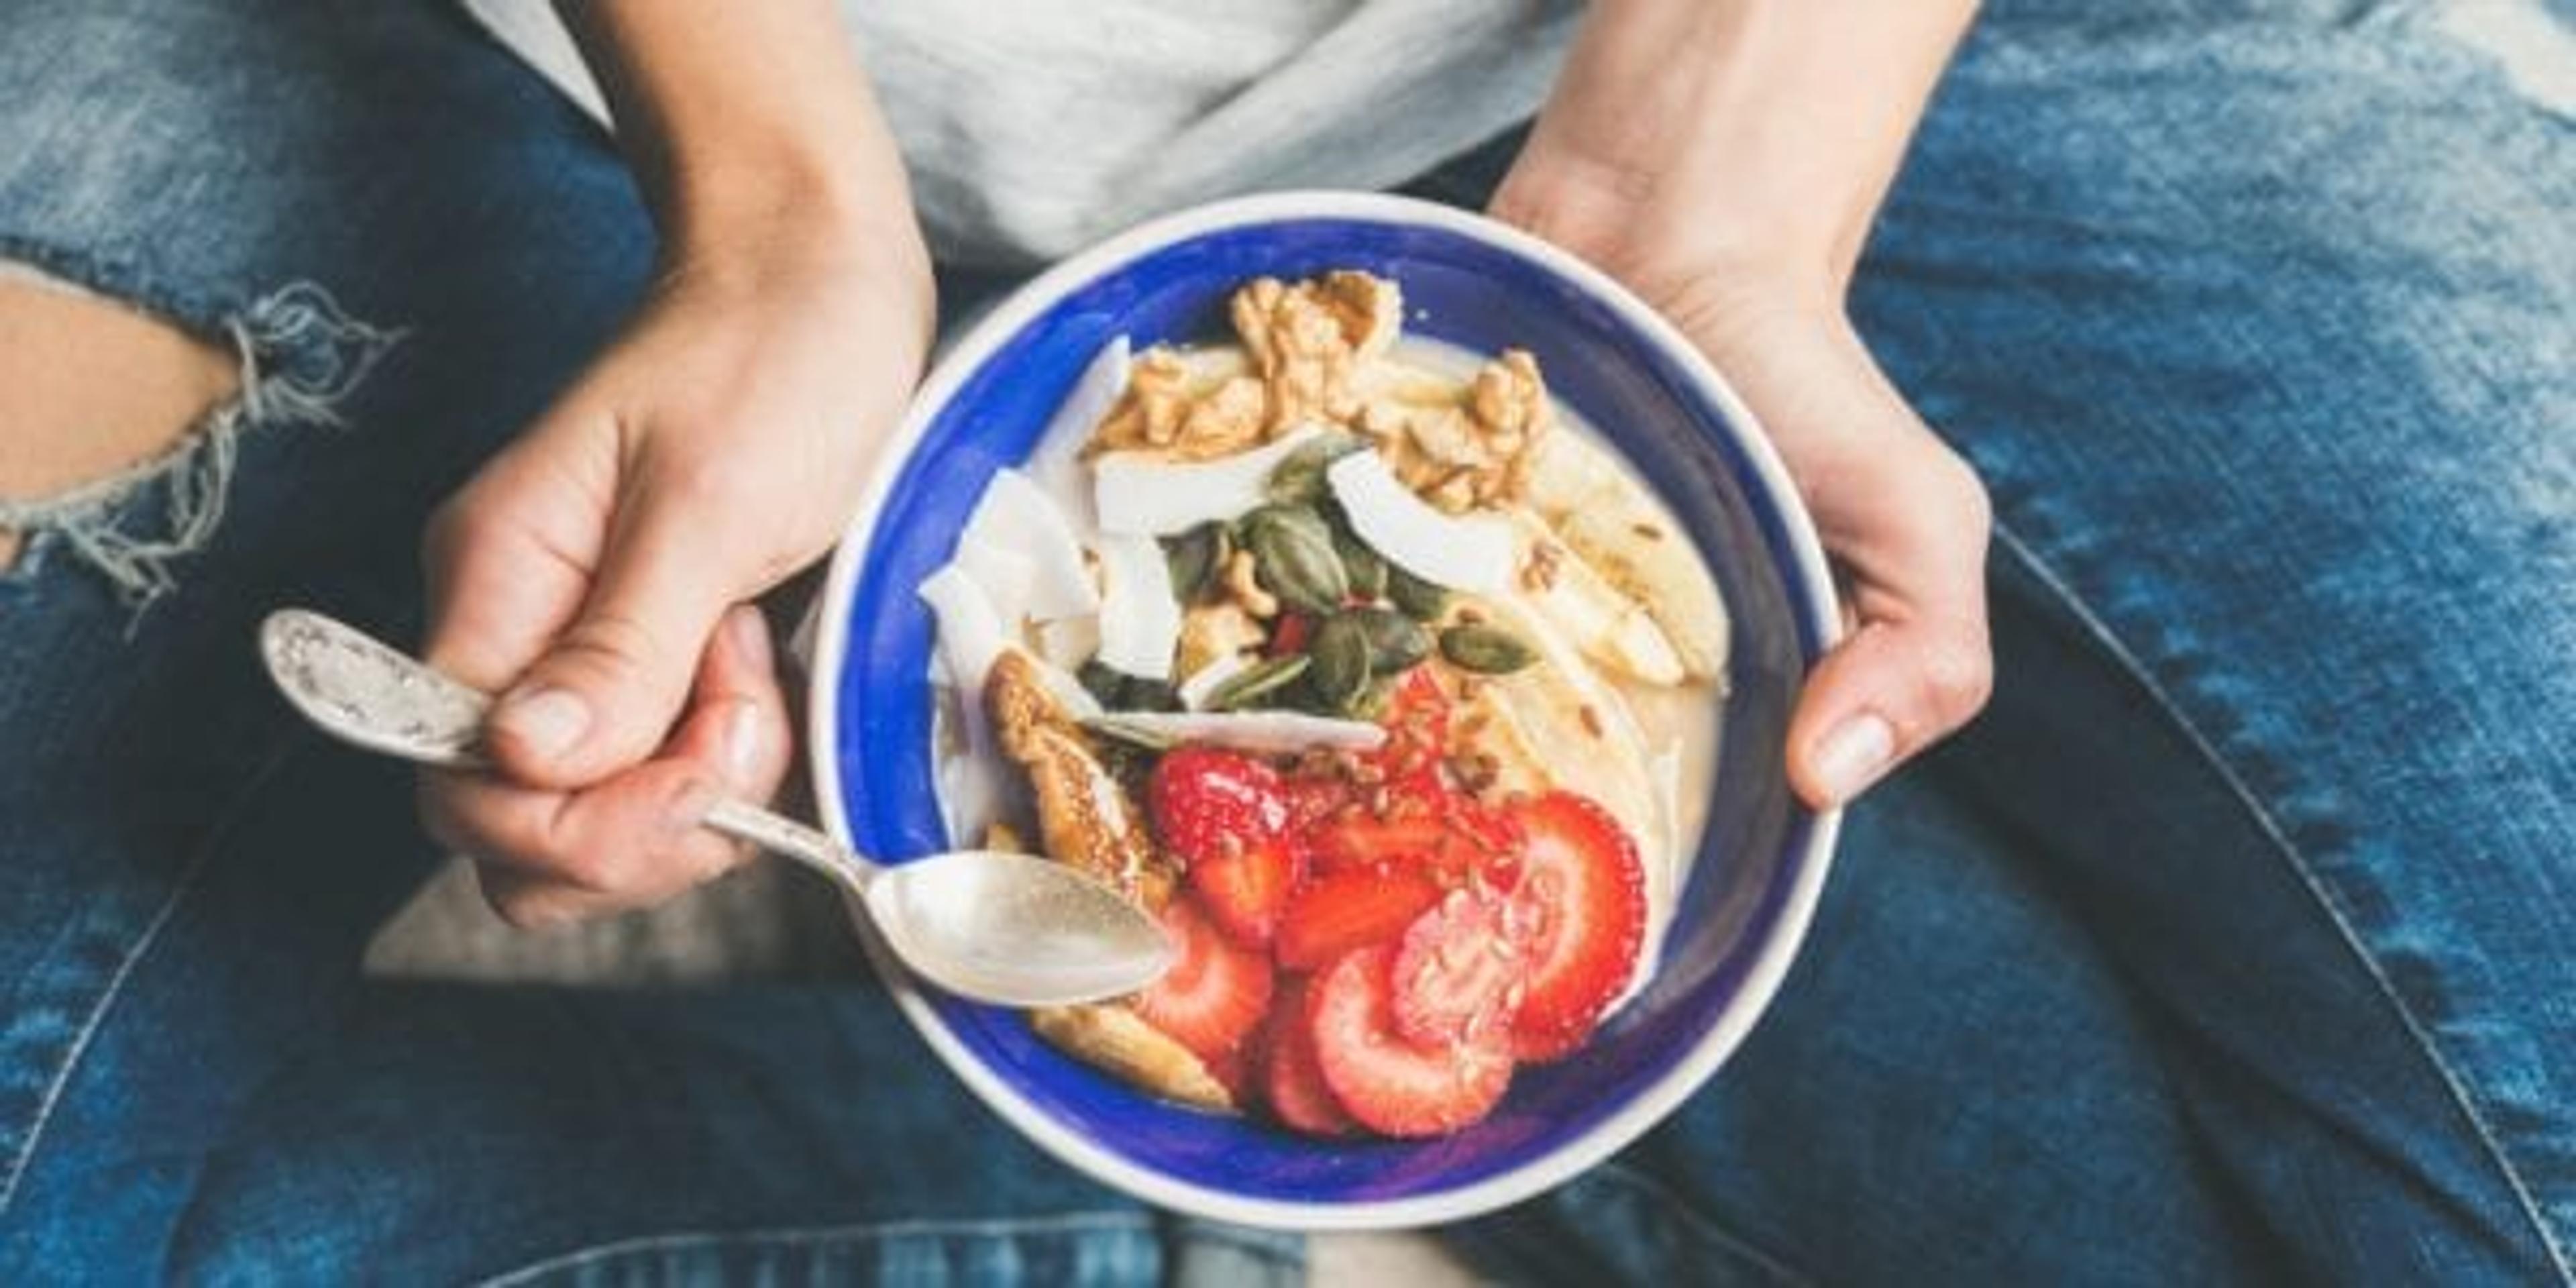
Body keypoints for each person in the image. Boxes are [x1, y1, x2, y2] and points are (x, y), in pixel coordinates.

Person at [0, 0, 2566, 1280]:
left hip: (1843, 73)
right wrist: (770, 198)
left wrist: (1721, 166)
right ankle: (1214, 1217)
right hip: (576, 84)